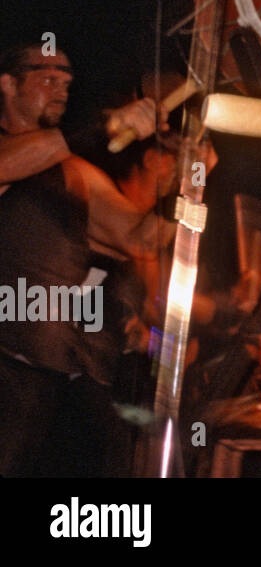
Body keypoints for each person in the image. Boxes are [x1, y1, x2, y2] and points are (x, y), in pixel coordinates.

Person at [0, 41, 174, 476]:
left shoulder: (74, 172)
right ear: (7, 84)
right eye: (48, 78)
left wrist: (188, 181)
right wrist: (102, 125)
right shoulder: (12, 153)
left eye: (68, 82)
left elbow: (141, 238)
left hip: (52, 379)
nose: (62, 89)